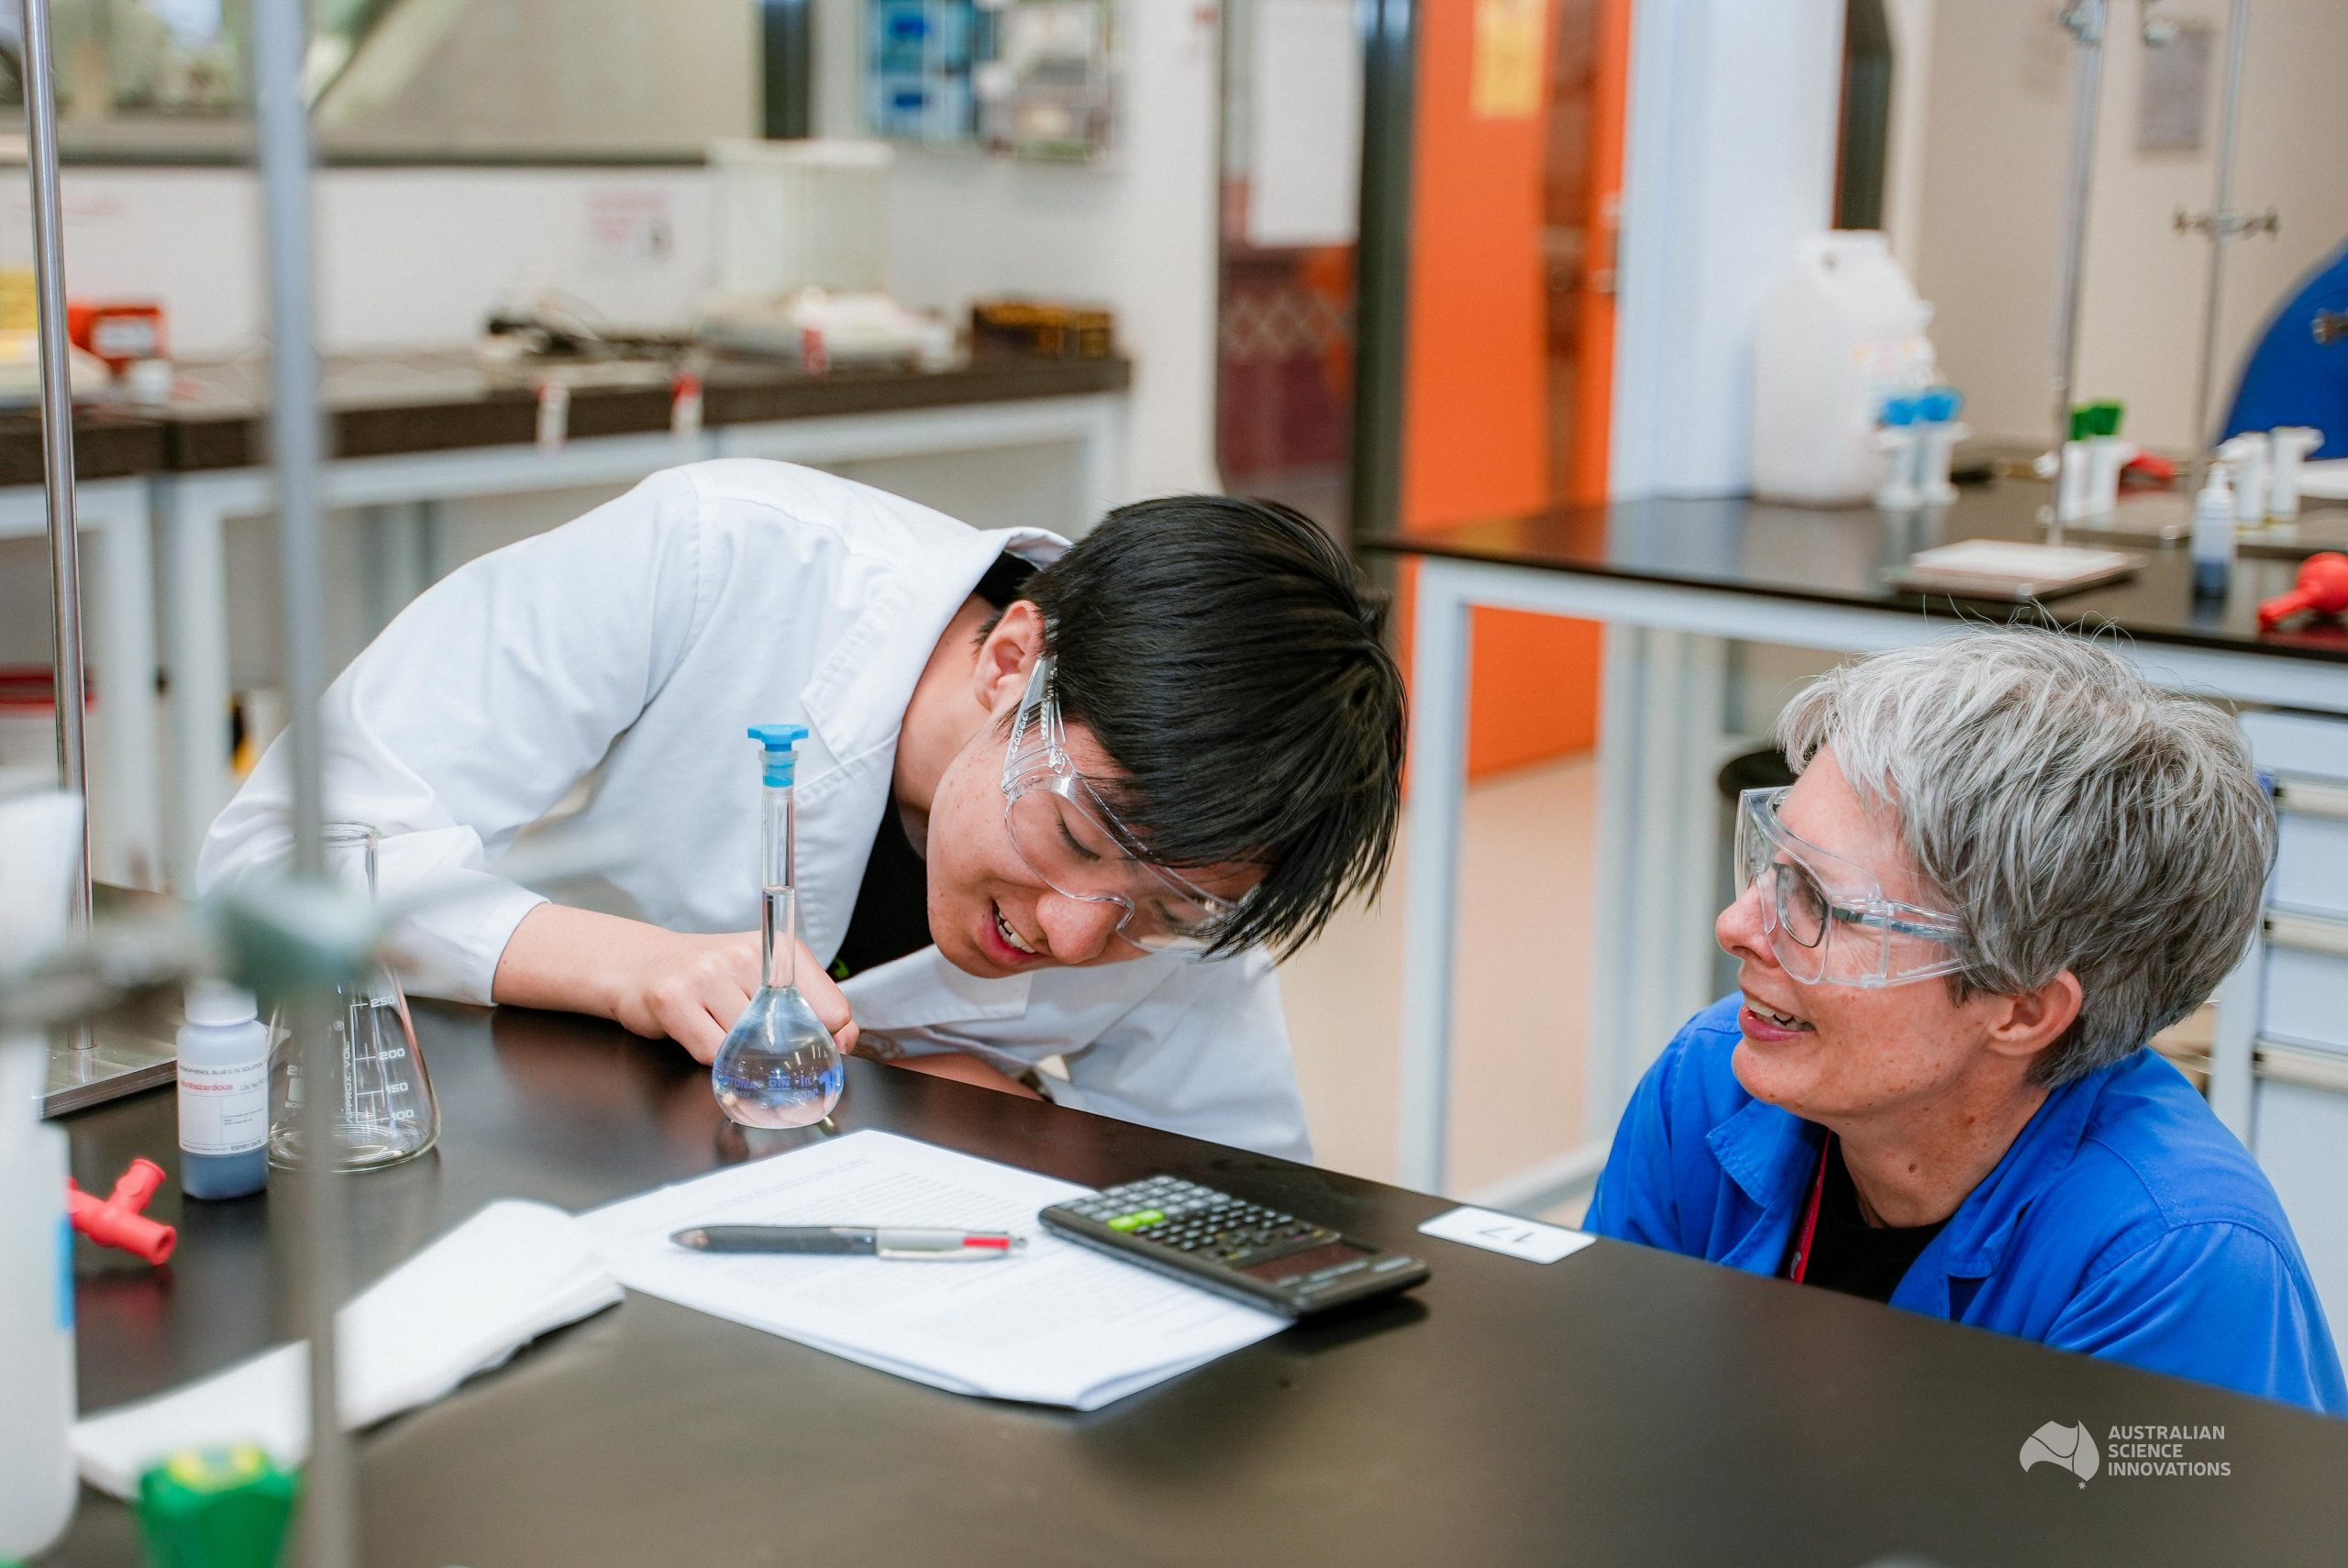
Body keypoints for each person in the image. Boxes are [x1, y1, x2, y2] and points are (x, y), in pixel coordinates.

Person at [201, 460, 1404, 1161]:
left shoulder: (1204, 849)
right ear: (1012, 661)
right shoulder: (722, 553)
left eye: (1163, 912)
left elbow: (1228, 1192)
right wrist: (635, 968)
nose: (1078, 932)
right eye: (1079, 839)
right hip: (520, 1145)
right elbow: (271, 861)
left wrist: (1017, 1123)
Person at [1585, 630, 2345, 1414]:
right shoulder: (1713, 1079)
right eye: (1771, 867)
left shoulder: (2173, 1264)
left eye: (1823, 904)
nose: (1737, 925)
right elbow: (1599, 1403)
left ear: (2022, 1009)